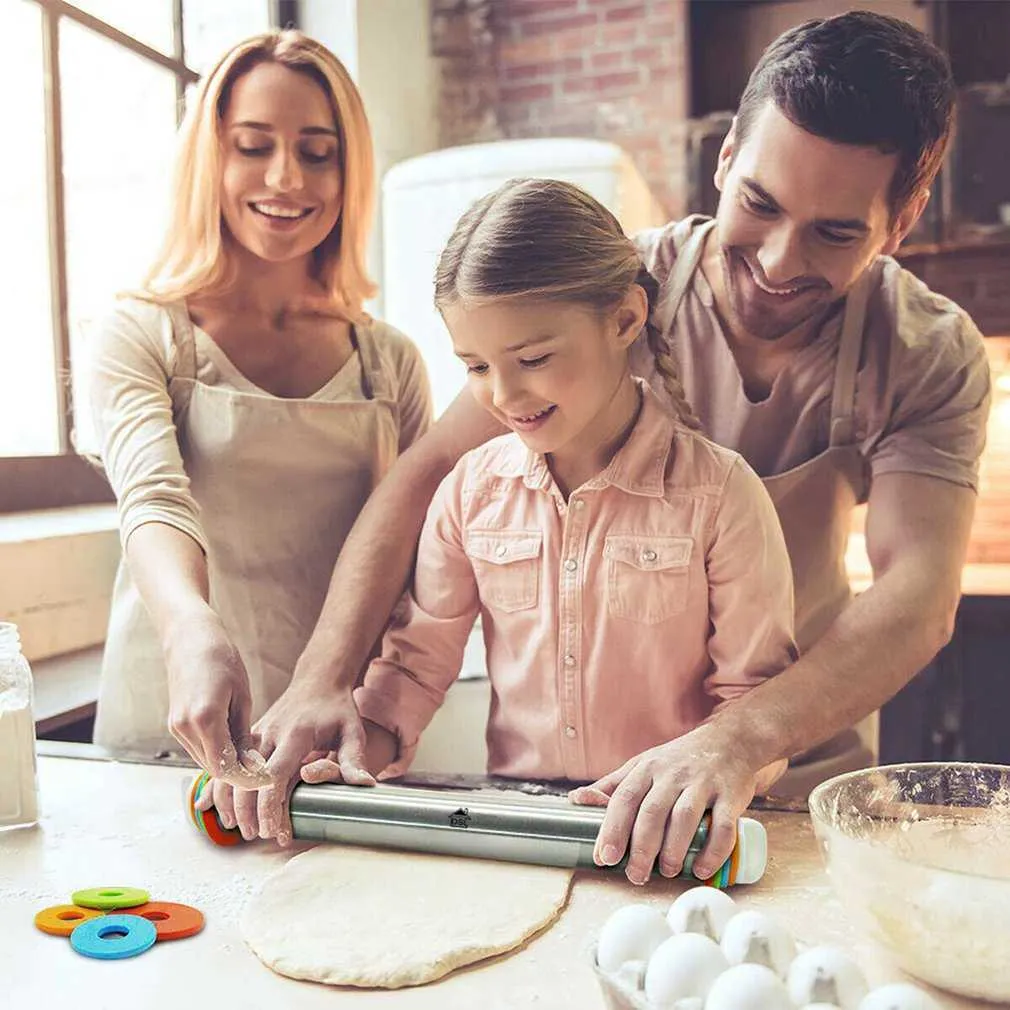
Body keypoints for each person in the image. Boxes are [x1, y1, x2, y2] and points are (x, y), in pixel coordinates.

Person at [236, 10, 992, 881]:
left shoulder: (925, 349)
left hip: (788, 779)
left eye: (836, 232)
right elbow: (433, 475)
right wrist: (326, 678)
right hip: (561, 810)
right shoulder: (599, 295)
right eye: (759, 203)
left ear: (901, 222)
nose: (781, 262)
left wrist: (735, 742)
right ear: (724, 160)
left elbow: (918, 594)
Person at [298, 178, 798, 885]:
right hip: (517, 835)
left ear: (625, 319)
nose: (504, 397)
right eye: (475, 367)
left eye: (532, 359)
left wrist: (715, 770)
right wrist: (354, 755)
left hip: (671, 843)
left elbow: (756, 703)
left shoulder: (721, 496)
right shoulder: (471, 491)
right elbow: (413, 669)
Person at [86, 30, 431, 824]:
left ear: (351, 174)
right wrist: (188, 629)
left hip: (340, 747)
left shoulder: (389, 360)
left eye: (318, 153)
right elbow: (153, 500)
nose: (286, 179)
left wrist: (378, 715)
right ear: (211, 156)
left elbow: (424, 555)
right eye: (253, 146)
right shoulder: (144, 334)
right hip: (169, 730)